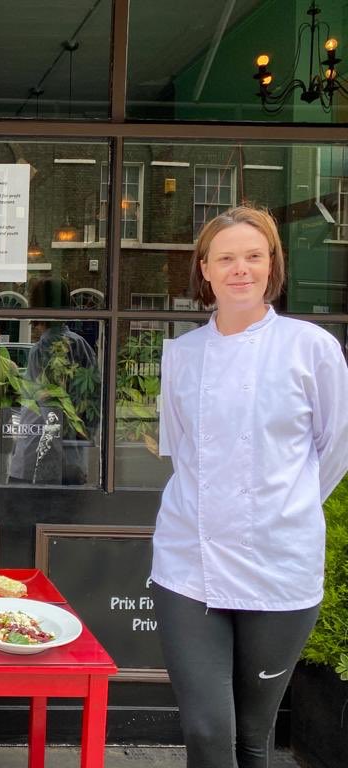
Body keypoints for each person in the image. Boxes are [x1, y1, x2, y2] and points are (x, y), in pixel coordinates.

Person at [151, 205, 348, 768]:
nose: (241, 269)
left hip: (279, 564)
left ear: (272, 266)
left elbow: (334, 449)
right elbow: (184, 453)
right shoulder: (182, 355)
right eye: (227, 258)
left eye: (254, 257)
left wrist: (283, 509)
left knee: (253, 739)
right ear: (205, 270)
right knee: (210, 734)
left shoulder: (311, 348)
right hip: (190, 562)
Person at [8, 277, 100, 485]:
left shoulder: (41, 349)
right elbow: (93, 396)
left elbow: (45, 404)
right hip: (71, 448)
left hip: (38, 446)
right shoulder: (82, 345)